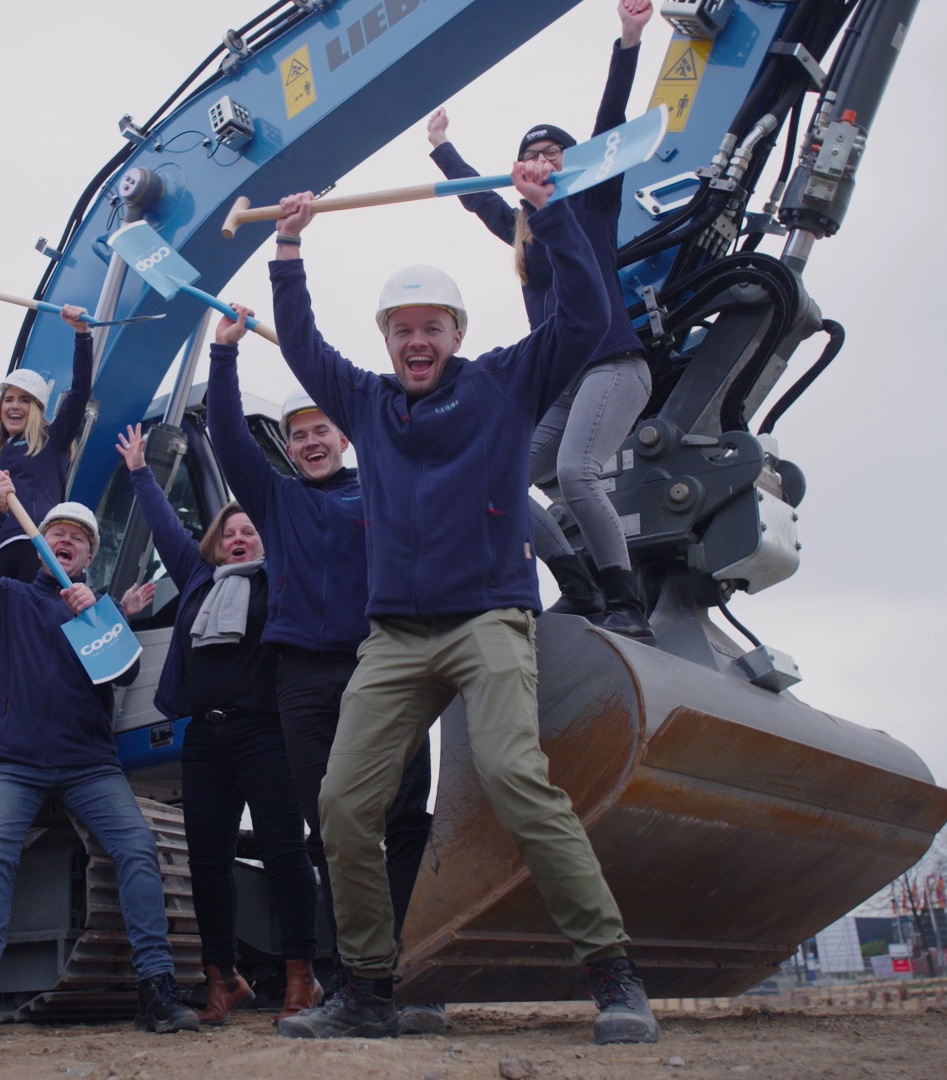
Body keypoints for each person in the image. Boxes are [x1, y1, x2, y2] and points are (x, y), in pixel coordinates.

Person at [263, 169, 661, 1045]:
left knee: (518, 780)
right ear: (387, 340)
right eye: (402, 331)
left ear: (455, 334)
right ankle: (367, 988)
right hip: (397, 635)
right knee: (340, 804)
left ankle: (612, 972)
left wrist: (550, 216)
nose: (416, 342)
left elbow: (588, 319)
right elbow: (302, 347)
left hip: (487, 618)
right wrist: (288, 247)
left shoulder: (503, 385)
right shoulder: (366, 403)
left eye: (431, 328)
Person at [201, 308, 440, 1032]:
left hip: (387, 664)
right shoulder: (275, 501)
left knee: (401, 822)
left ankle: (409, 974)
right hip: (303, 682)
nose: (309, 441)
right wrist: (223, 358)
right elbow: (225, 435)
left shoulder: (385, 488)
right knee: (329, 829)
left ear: (344, 435)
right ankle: (348, 980)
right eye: (298, 434)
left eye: (320, 430)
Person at [0, 463, 197, 1036]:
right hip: (15, 759)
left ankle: (157, 987)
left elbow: (123, 677)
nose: (68, 540)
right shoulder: (4, 599)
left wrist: (102, 618)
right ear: (40, 543)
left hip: (89, 763)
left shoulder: (97, 612)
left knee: (137, 850)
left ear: (88, 556)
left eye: (79, 537)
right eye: (58, 533)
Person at [424, 0, 658, 641]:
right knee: (494, 477)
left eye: (554, 152)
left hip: (613, 363)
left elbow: (611, 123)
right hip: (560, 378)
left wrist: (628, 41)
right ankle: (579, 588)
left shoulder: (593, 204)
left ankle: (626, 600)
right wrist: (444, 148)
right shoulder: (523, 231)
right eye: (532, 153)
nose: (543, 158)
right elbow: (478, 200)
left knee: (580, 472)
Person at [113, 423, 320, 1024]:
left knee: (285, 851)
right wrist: (139, 471)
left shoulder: (283, 576)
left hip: (266, 731)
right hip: (204, 734)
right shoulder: (198, 578)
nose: (237, 537)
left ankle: (300, 975)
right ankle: (221, 977)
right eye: (228, 531)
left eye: (248, 529)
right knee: (207, 859)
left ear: (264, 538)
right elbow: (163, 525)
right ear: (214, 543)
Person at [0, 306, 94, 580]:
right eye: (8, 399)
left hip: (35, 545)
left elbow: (80, 393)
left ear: (38, 408)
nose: (14, 406)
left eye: (24, 399)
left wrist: (82, 335)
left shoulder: (53, 440)